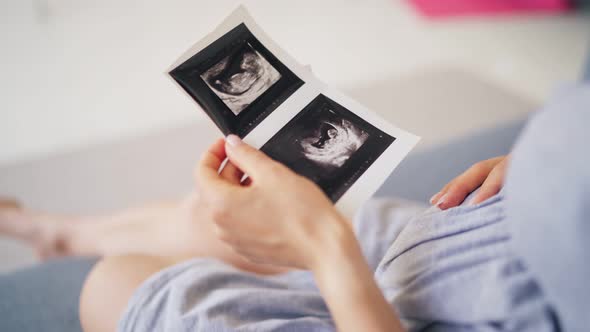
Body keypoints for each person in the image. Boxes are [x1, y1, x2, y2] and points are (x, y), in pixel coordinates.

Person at [1, 86, 588, 332]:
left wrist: (325, 252)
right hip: (469, 236)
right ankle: (62, 233)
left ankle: (73, 243)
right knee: (214, 217)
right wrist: (537, 163)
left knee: (111, 287)